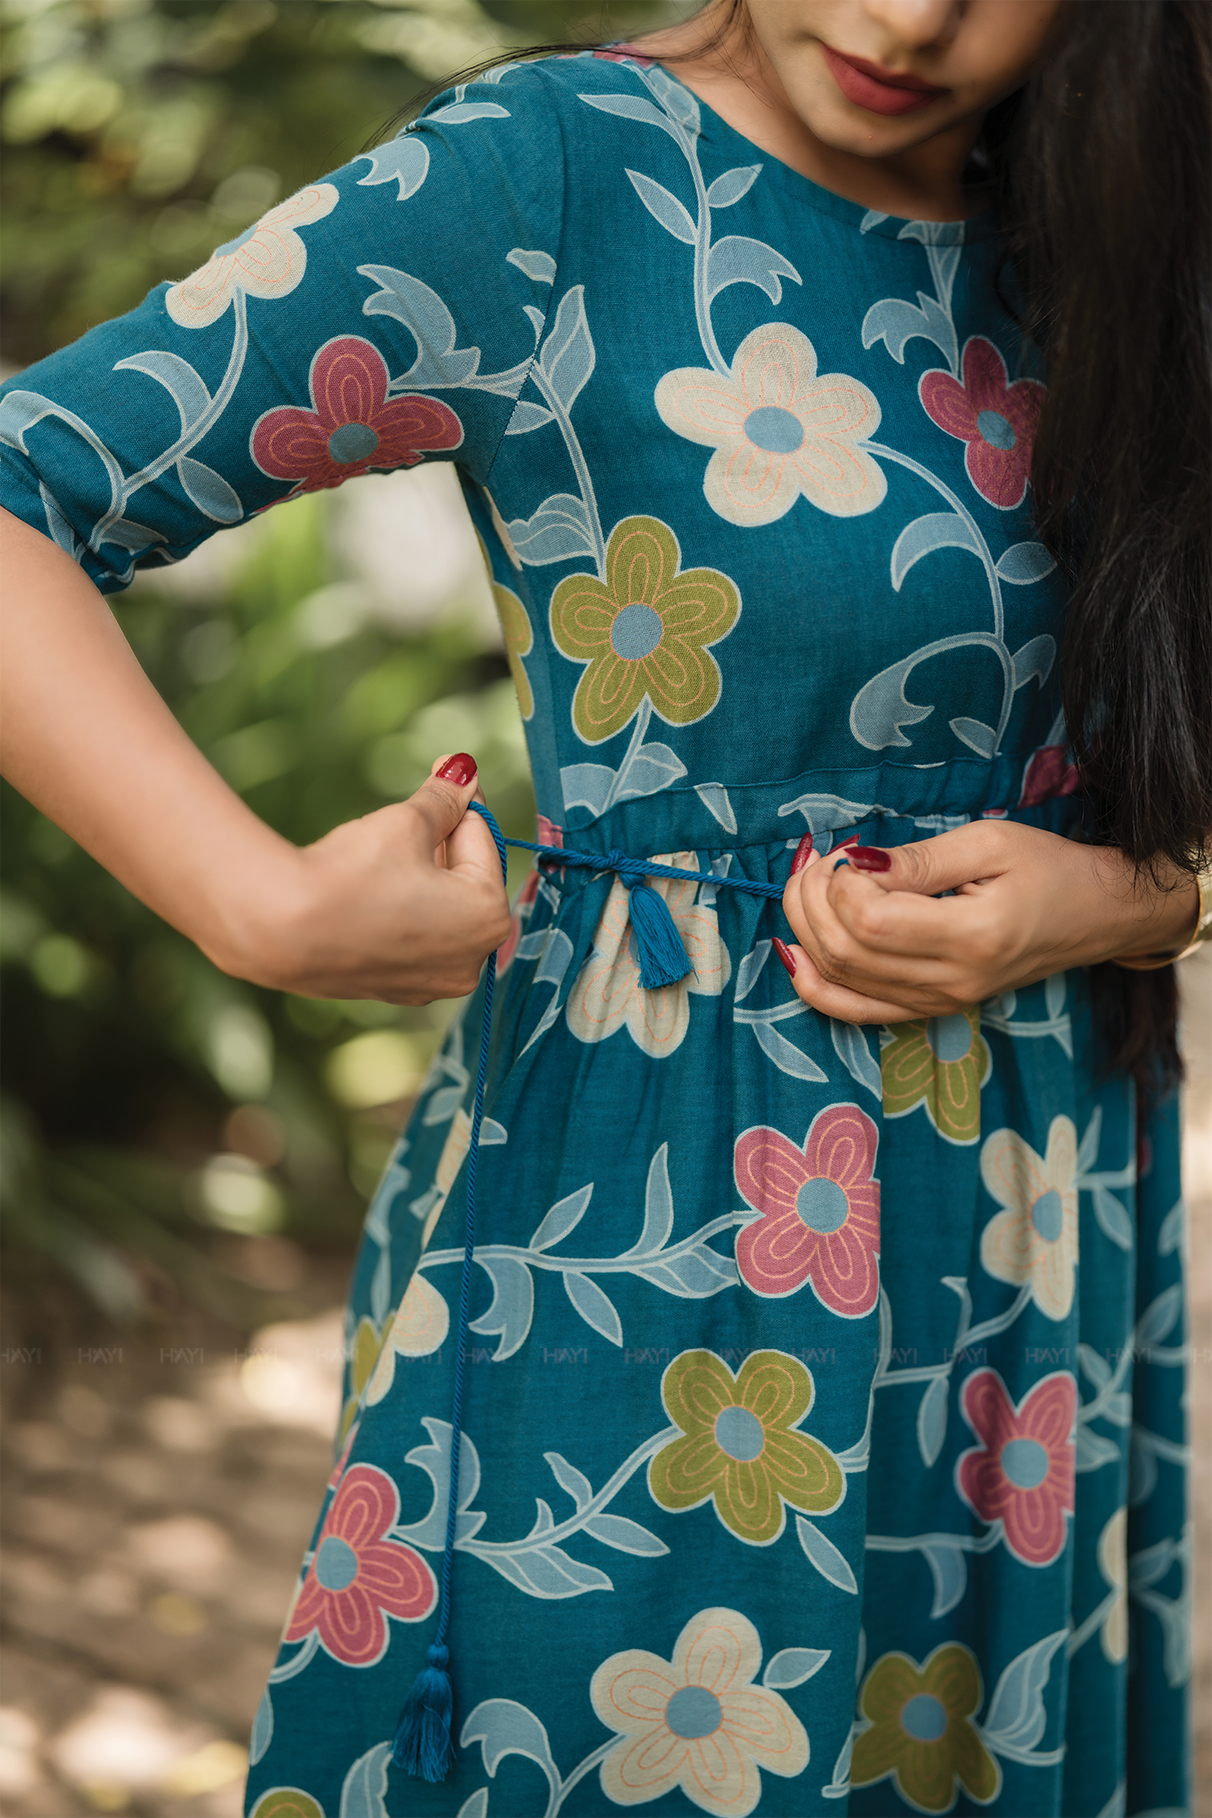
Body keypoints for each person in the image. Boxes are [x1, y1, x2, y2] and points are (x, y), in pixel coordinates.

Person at [1, 1, 1208, 1812]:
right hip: (662, 1244)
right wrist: (245, 904)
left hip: (1042, 1253)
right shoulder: (556, 178)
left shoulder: (1129, 213)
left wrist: (1137, 900)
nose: (907, 17)